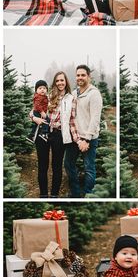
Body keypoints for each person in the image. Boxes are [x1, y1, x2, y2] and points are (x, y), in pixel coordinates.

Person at [30, 71, 73, 197]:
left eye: (62, 80)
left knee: (57, 166)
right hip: (43, 133)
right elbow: (33, 111)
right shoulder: (47, 95)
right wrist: (34, 118)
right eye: (57, 80)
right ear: (54, 83)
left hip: (58, 134)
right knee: (42, 165)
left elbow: (72, 118)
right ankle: (43, 194)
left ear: (66, 82)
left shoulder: (70, 98)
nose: (60, 83)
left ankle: (54, 194)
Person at [64, 64, 103, 197]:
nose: (80, 77)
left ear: (88, 76)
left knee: (89, 168)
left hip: (89, 138)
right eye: (78, 75)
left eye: (83, 75)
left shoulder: (94, 94)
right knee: (68, 163)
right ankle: (75, 193)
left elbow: (95, 118)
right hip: (75, 138)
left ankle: (88, 195)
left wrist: (86, 139)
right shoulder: (74, 93)